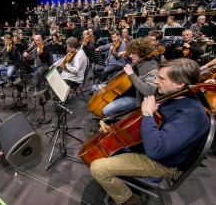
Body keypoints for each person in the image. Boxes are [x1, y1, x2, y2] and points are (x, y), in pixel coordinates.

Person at [90, 58, 210, 205]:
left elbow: (155, 151)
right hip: (156, 148)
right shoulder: (178, 95)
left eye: (161, 78)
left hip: (161, 163)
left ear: (180, 84)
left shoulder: (189, 115)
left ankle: (129, 200)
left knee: (97, 168)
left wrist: (147, 114)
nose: (156, 81)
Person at [95, 37, 159, 116]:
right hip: (123, 91)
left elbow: (149, 92)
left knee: (106, 110)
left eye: (134, 53)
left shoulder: (152, 67)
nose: (131, 56)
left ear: (143, 53)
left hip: (135, 97)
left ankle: (121, 118)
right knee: (95, 88)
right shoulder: (137, 62)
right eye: (130, 53)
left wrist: (131, 74)